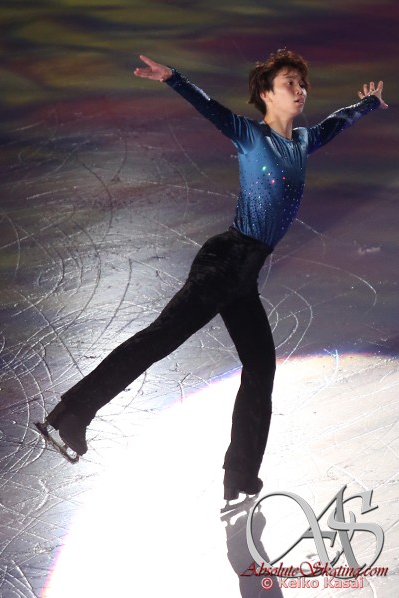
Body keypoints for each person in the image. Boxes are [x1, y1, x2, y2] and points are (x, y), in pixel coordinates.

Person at [39, 50, 387, 500]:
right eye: (289, 82)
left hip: (244, 276)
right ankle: (72, 413)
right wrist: (174, 77)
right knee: (160, 338)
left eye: (303, 83)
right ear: (266, 94)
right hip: (224, 262)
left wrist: (368, 104)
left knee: (260, 366)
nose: (300, 90)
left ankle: (239, 473)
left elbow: (337, 123)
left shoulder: (302, 141)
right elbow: (211, 109)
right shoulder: (251, 136)